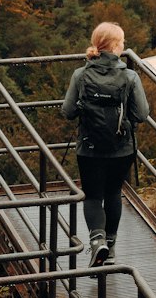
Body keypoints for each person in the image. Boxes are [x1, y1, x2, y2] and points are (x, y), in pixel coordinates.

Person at [61, 21, 150, 266]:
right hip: (121, 149)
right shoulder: (130, 76)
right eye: (122, 42)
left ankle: (96, 241)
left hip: (89, 148)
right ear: (114, 45)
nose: (123, 45)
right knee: (113, 194)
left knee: (92, 196)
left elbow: (67, 111)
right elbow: (142, 114)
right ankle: (109, 249)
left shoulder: (81, 74)